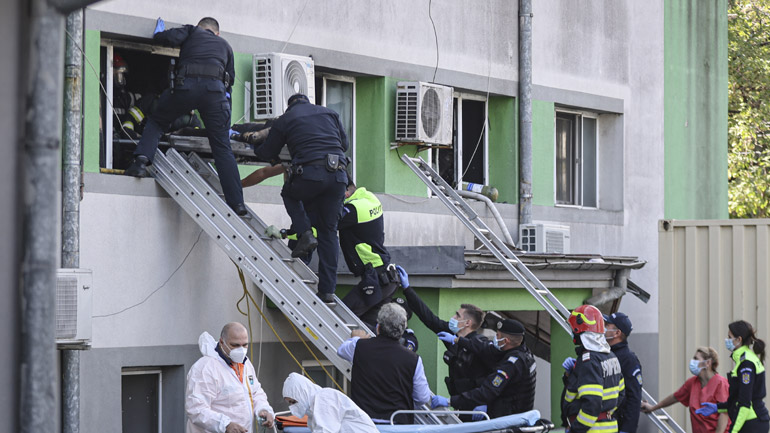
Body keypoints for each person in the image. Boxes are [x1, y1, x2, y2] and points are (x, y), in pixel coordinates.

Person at [124, 17, 247, 216]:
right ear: (217, 33)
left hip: (186, 87)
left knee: (156, 121)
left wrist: (158, 34)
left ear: (201, 27)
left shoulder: (192, 31)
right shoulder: (226, 46)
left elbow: (166, 39)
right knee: (222, 147)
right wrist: (225, 122)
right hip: (215, 94)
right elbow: (229, 82)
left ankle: (140, 163)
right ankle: (237, 203)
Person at [254, 93, 348, 303]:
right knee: (329, 232)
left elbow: (267, 151)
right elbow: (345, 144)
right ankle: (327, 291)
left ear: (289, 106)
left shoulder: (286, 119)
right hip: (338, 177)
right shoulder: (330, 113)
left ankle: (304, 233)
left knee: (289, 193)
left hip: (311, 175)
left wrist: (255, 145)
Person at [396, 266, 490, 401]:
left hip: (477, 405)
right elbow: (428, 318)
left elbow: (490, 377)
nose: (453, 317)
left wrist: (485, 402)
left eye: (457, 316)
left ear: (467, 323)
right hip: (459, 402)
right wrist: (407, 289)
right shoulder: (452, 335)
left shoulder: (480, 344)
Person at [336, 302, 431, 424]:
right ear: (402, 331)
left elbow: (341, 351)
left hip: (363, 423)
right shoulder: (414, 359)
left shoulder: (359, 346)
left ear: (378, 327)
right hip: (397, 423)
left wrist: (355, 338)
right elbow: (423, 397)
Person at [432, 318, 537, 420]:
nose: (495, 338)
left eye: (497, 335)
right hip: (513, 412)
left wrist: (449, 401)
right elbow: (483, 348)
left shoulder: (512, 364)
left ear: (506, 340)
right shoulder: (523, 351)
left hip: (509, 419)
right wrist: (457, 340)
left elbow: (487, 391)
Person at [186, 322, 275, 433]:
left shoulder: (245, 364)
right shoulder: (205, 368)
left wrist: (264, 409)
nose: (241, 350)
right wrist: (225, 425)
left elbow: (255, 392)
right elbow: (196, 409)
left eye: (245, 345)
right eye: (235, 345)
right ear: (222, 342)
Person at [339, 181, 397, 323]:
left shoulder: (353, 209)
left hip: (376, 278)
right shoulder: (369, 198)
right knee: (369, 330)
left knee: (340, 317)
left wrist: (289, 234)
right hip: (386, 278)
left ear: (346, 193)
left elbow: (324, 226)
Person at [561, 304, 625, 433]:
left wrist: (576, 429)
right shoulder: (610, 356)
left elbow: (592, 404)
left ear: (579, 331)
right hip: (608, 426)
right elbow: (621, 393)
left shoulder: (589, 361)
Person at [696, 320, 770, 433]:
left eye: (729, 337)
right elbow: (738, 398)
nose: (727, 340)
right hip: (754, 421)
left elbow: (745, 404)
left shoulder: (746, 364)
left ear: (739, 339)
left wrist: (733, 431)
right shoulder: (745, 358)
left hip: (751, 423)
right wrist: (718, 407)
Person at [641, 347, 729, 433]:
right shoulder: (692, 383)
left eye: (696, 359)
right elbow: (675, 397)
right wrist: (653, 407)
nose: (692, 361)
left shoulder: (721, 384)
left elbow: (724, 413)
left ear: (707, 363)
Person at [282, 372, 378, 433]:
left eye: (293, 402)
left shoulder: (324, 398)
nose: (292, 407)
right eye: (290, 403)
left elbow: (326, 430)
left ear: (303, 394)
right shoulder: (313, 414)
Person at [603, 312, 643, 433]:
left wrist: (628, 429)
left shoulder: (628, 359)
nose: (603, 327)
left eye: (607, 325)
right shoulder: (604, 353)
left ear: (617, 333)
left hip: (619, 424)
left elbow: (634, 398)